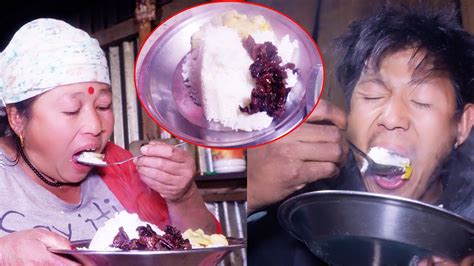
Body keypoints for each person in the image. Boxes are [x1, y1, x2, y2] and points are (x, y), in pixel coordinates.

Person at [248, 5, 474, 265]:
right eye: (372, 96)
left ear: (463, 125)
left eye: (421, 101)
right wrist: (252, 190)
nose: (391, 119)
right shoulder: (302, 213)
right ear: (349, 114)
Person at [0, 19, 219, 264]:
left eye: (103, 106)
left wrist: (183, 196)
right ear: (17, 118)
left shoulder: (121, 165)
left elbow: (204, 257)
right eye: (71, 110)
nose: (96, 126)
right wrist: (5, 252)